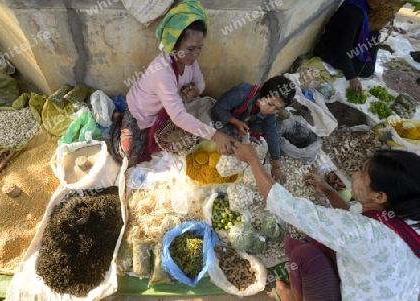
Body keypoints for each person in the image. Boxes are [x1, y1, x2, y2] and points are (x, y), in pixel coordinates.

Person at [234, 143, 420, 301]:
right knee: (316, 240)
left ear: (379, 196)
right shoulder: (407, 215)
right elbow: (354, 217)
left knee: (304, 254)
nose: (354, 175)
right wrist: (329, 191)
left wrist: (253, 160)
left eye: (363, 175)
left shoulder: (368, 234)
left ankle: (292, 296)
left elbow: (285, 205)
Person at [111, 0, 236, 167]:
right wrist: (215, 136)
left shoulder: (189, 62)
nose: (196, 54)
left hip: (163, 111)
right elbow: (178, 117)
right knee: (127, 158)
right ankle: (120, 121)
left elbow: (200, 82)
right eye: (191, 49)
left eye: (200, 47)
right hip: (140, 111)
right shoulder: (162, 72)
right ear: (174, 45)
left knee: (175, 143)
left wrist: (196, 90)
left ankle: (137, 126)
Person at [211, 76, 296, 184]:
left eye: (277, 108)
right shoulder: (242, 92)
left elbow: (273, 134)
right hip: (221, 119)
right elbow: (219, 108)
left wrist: (276, 166)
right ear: (262, 94)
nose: (271, 110)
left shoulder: (269, 113)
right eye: (269, 104)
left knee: (261, 132)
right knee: (226, 142)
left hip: (244, 120)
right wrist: (235, 122)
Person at [313, 0, 388, 92]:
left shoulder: (359, 4)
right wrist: (352, 76)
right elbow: (343, 49)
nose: (381, 2)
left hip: (340, 43)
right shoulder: (355, 14)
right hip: (331, 53)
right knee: (368, 70)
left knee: (375, 38)